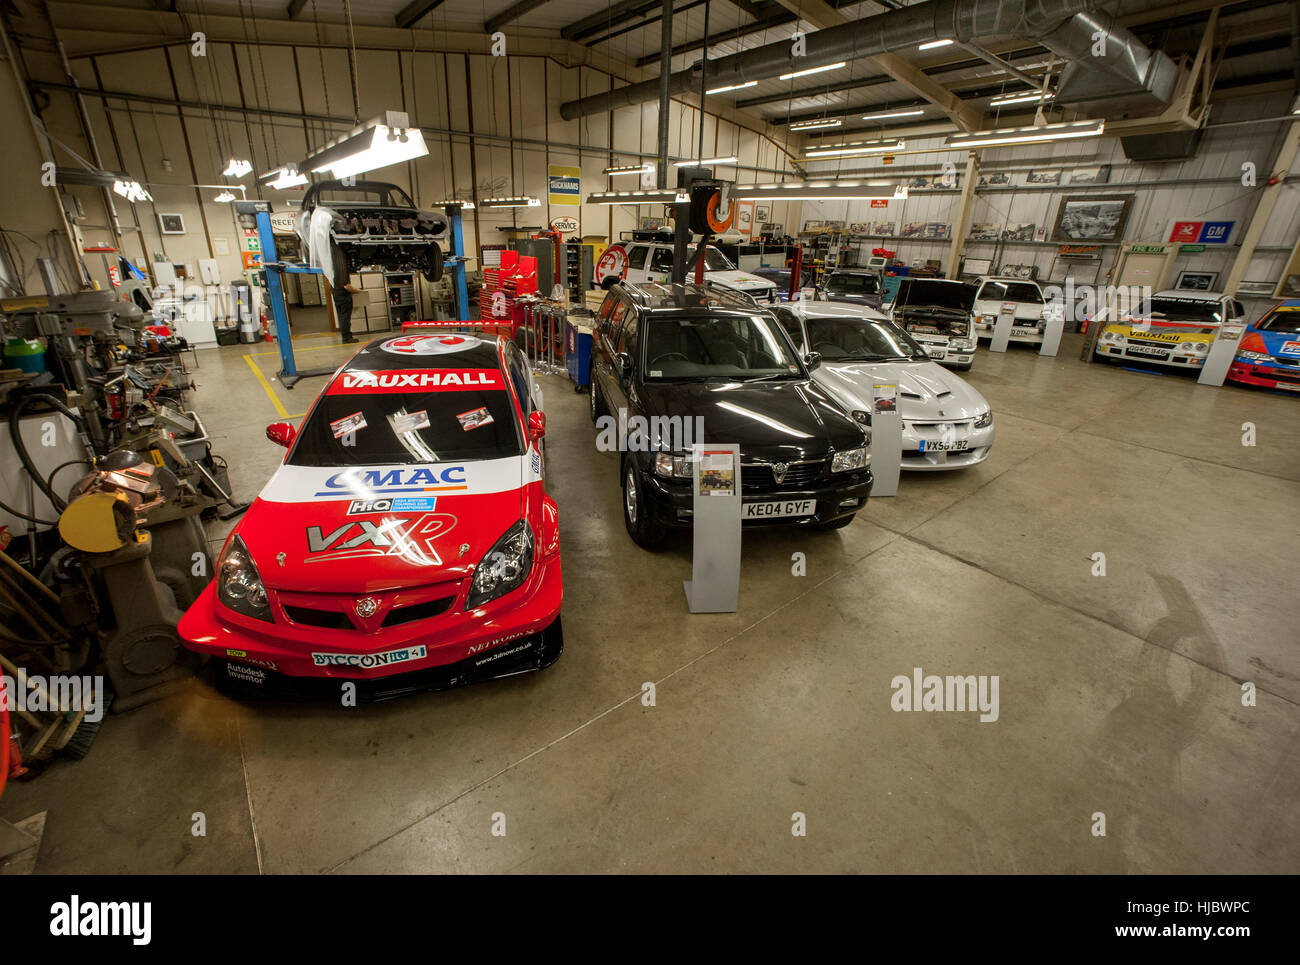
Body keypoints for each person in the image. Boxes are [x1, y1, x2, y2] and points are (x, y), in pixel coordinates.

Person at [332, 274, 361, 344]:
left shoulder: (332, 273)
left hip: (336, 295)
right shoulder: (342, 271)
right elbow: (347, 286)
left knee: (341, 317)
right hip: (344, 296)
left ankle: (344, 336)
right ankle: (347, 338)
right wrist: (357, 290)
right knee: (345, 318)